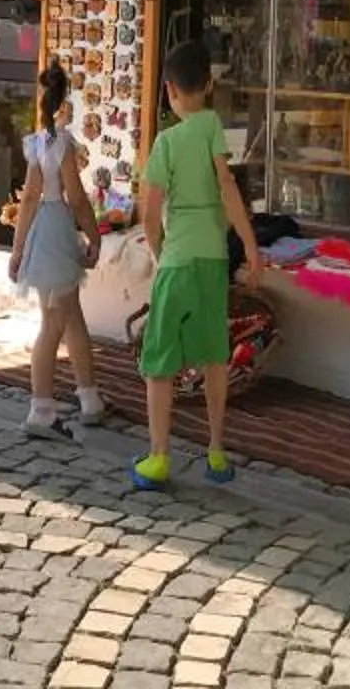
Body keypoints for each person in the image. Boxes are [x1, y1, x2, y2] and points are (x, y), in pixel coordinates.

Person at [132, 38, 261, 490]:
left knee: (159, 360)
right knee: (214, 357)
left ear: (169, 89)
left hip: (177, 260)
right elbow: (228, 187)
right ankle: (217, 451)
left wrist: (159, 255)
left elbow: (149, 216)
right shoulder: (212, 127)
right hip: (213, 259)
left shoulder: (165, 142)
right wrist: (251, 246)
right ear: (208, 85)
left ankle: (158, 457)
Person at [9, 61, 105, 437]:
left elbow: (29, 199)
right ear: (65, 102)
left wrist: (18, 249)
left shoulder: (36, 144)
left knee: (71, 314)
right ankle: (41, 409)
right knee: (53, 323)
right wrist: (94, 236)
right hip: (57, 231)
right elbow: (77, 197)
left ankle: (89, 397)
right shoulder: (62, 144)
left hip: (40, 232)